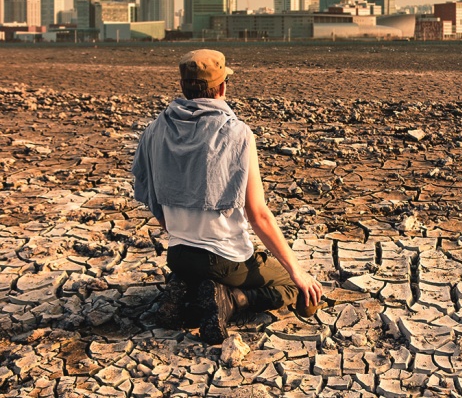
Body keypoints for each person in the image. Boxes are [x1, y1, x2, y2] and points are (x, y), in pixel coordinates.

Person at [132, 49, 323, 344]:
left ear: (182, 86)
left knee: (202, 278)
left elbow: (151, 196)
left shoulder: (155, 130)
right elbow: (257, 214)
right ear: (222, 87)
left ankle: (186, 291)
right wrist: (297, 271)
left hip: (179, 254)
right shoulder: (236, 134)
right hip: (225, 259)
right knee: (294, 290)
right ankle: (232, 300)